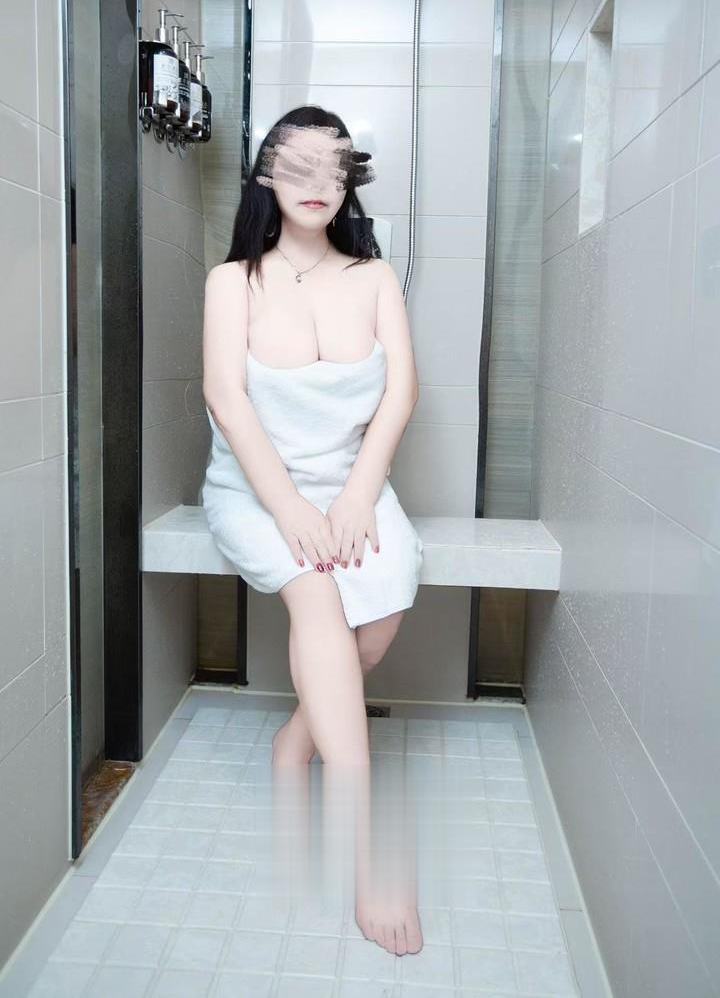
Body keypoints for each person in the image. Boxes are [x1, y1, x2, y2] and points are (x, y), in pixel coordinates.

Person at [201, 106, 424, 952]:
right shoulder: (233, 282)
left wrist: (359, 496)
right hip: (255, 488)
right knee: (320, 600)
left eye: (335, 168)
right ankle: (368, 853)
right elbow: (226, 400)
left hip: (351, 485)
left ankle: (295, 743)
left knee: (381, 618)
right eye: (298, 165)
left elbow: (400, 393)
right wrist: (291, 509)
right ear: (266, 174)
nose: (317, 184)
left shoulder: (374, 277)